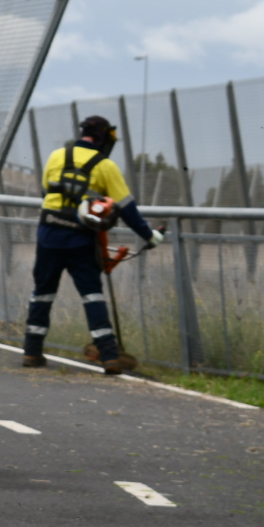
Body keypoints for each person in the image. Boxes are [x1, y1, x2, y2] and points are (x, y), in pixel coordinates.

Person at [23, 114, 163, 374]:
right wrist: (149, 235)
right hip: (80, 240)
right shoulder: (105, 166)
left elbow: (46, 193)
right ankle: (109, 356)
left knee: (42, 293)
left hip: (49, 235)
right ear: (103, 138)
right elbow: (126, 208)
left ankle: (31, 352)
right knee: (92, 296)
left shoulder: (56, 157)